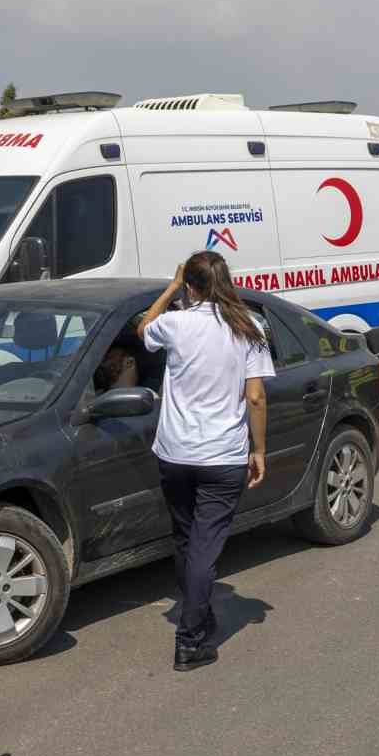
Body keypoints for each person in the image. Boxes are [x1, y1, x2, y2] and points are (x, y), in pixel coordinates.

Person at [137, 251, 274, 672]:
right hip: (222, 456)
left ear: (192, 286)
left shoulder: (176, 324)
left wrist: (172, 287)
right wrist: (259, 450)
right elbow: (255, 396)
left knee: (185, 539)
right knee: (205, 546)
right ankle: (190, 639)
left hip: (175, 453)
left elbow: (143, 328)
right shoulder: (249, 329)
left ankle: (196, 613)